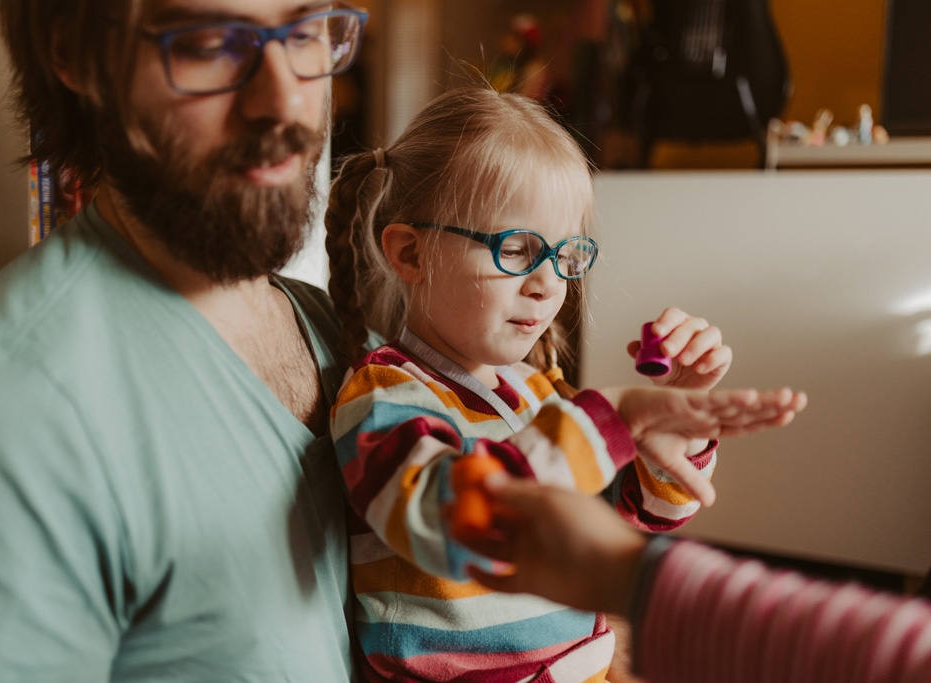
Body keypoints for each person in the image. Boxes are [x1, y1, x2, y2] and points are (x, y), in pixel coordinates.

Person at [0, 1, 369, 680]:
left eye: (303, 32)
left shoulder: (335, 330)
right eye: (212, 43)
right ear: (77, 56)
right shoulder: (2, 413)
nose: (284, 100)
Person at [324, 86, 807, 682]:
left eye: (565, 254)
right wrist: (612, 421)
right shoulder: (385, 396)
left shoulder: (540, 395)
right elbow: (457, 530)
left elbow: (642, 514)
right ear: (411, 253)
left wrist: (672, 432)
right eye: (517, 249)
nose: (548, 283)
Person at [461, 476, 931, 683]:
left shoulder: (558, 399)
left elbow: (661, 512)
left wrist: (680, 444)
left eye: (563, 264)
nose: (546, 285)